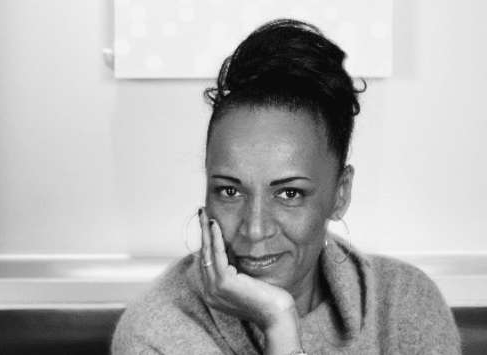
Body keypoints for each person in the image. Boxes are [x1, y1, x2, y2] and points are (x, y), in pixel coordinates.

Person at [112, 19, 461, 354]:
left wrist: (281, 328)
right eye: (230, 191)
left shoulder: (403, 305)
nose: (255, 229)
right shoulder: (157, 332)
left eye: (289, 193)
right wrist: (278, 321)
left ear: (340, 194)